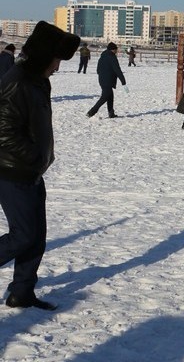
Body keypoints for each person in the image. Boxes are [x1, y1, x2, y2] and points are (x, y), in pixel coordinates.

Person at [0, 21, 80, 309]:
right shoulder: (17, 81)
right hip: (11, 170)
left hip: (31, 170)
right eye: (57, 59)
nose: (58, 66)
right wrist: (34, 156)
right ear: (45, 56)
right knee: (23, 236)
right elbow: (4, 131)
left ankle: (22, 292)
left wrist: (40, 159)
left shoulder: (37, 80)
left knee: (36, 238)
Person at [86, 42, 126, 118]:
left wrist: (102, 75)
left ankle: (111, 113)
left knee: (110, 96)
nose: (116, 51)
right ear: (112, 50)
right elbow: (117, 70)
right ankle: (92, 111)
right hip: (108, 80)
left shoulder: (102, 56)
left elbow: (98, 69)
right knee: (104, 97)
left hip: (101, 79)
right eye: (116, 49)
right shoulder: (112, 57)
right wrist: (123, 80)